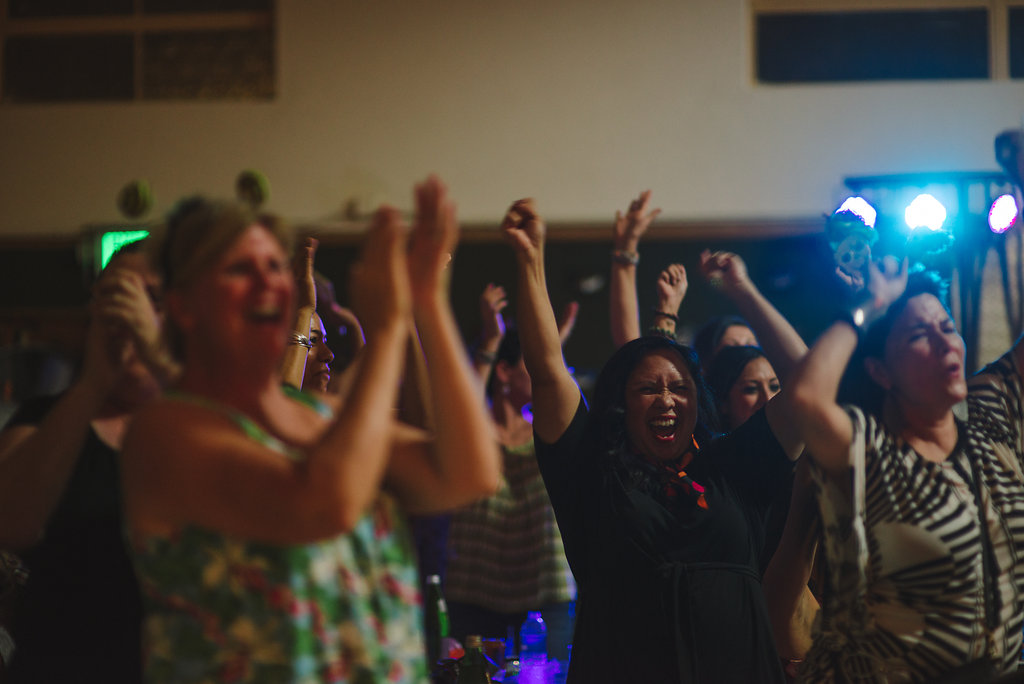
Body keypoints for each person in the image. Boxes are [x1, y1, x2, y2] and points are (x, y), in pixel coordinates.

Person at [121, 177, 501, 682]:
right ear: (185, 307)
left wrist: (426, 300)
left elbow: (468, 473)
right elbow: (327, 502)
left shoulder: (323, 416)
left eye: (275, 266)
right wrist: (387, 328)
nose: (269, 284)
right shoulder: (166, 430)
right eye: (240, 269)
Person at [501, 197, 803, 683]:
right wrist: (531, 260)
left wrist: (742, 292)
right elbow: (548, 372)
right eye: (648, 388)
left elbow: (806, 382)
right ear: (622, 405)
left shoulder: (733, 466)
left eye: (680, 388)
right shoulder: (594, 471)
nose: (666, 399)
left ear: (698, 401)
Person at [789, 259, 1024, 681]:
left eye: (947, 328)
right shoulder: (871, 453)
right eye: (919, 335)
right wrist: (869, 305)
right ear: (880, 371)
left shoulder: (990, 422)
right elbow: (806, 397)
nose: (944, 343)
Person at [0, 240, 173, 683]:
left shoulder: (202, 422)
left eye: (151, 297)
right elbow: (10, 521)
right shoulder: (46, 417)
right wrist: (95, 381)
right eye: (116, 294)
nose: (130, 313)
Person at [443, 284, 576, 663]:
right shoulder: (474, 429)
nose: (551, 371)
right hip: (472, 594)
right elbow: (459, 410)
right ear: (504, 371)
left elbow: (561, 396)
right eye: (532, 364)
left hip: (546, 594)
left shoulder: (548, 430)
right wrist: (491, 339)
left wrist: (551, 345)